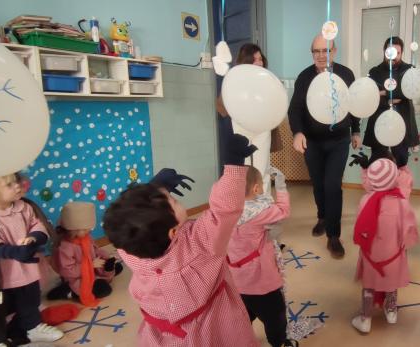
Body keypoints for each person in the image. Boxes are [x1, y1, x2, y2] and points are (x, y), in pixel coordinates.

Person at [102, 133, 259, 347]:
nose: (175, 198)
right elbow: (224, 210)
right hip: (212, 327)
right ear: (173, 232)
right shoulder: (199, 244)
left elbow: (128, 221)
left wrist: (153, 190)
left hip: (165, 336)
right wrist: (233, 167)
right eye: (174, 201)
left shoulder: (129, 249)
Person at [0, 174, 64, 346]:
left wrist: (34, 237)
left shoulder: (24, 207)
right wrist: (10, 251)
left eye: (16, 181)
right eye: (9, 185)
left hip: (25, 272)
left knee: (30, 301)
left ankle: (33, 327)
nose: (18, 185)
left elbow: (37, 224)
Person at [289, 34, 361, 259]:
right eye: (316, 51)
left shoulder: (346, 74)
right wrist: (298, 132)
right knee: (318, 184)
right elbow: (295, 109)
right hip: (313, 140)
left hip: (339, 139)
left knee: (332, 185)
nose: (321, 55)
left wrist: (356, 130)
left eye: (326, 50)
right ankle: (322, 216)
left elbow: (354, 105)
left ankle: (333, 235)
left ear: (335, 51)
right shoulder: (304, 77)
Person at [226, 166, 297, 347]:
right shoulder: (260, 213)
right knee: (275, 317)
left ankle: (241, 340)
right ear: (257, 188)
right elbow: (283, 211)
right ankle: (279, 343)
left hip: (236, 279)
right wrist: (280, 186)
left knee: (244, 314)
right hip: (262, 281)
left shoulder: (225, 211)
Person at [348, 155, 418, 333]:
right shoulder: (402, 201)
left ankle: (365, 318)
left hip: (371, 255)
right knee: (391, 283)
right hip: (393, 254)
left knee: (369, 285)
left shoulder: (365, 200)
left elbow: (360, 227)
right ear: (395, 178)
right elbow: (409, 229)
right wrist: (406, 245)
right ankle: (391, 311)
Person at [216, 43, 282, 193]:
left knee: (262, 168)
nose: (259, 63)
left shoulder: (268, 79)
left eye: (260, 59)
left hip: (262, 127)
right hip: (241, 127)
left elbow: (275, 103)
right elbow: (222, 107)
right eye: (254, 60)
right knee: (243, 170)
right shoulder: (235, 78)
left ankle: (264, 209)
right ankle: (244, 207)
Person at [47, 202, 123, 304]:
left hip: (92, 270)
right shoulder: (65, 247)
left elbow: (95, 250)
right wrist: (91, 265)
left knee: (116, 267)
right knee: (104, 290)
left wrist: (106, 257)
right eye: (85, 229)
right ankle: (69, 290)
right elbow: (68, 271)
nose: (89, 231)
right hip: (77, 278)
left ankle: (101, 277)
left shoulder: (85, 237)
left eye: (89, 229)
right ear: (73, 230)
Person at [364, 36, 420, 167]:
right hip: (379, 124)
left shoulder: (409, 70)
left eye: (398, 53)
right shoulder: (374, 71)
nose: (393, 56)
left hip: (402, 125)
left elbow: (406, 93)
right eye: (390, 52)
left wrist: (383, 92)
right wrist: (393, 97)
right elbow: (371, 96)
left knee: (401, 164)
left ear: (401, 53)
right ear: (384, 52)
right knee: (378, 164)